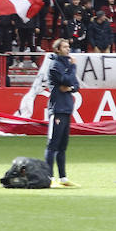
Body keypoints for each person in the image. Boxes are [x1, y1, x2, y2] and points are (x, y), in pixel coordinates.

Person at [44, 39, 80, 188]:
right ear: (57, 49)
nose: (68, 49)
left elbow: (75, 85)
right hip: (57, 109)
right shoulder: (55, 65)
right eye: (65, 47)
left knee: (63, 146)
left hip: (66, 109)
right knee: (53, 145)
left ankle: (63, 177)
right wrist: (73, 67)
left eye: (68, 46)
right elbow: (66, 79)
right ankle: (49, 177)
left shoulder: (65, 65)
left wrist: (70, 87)